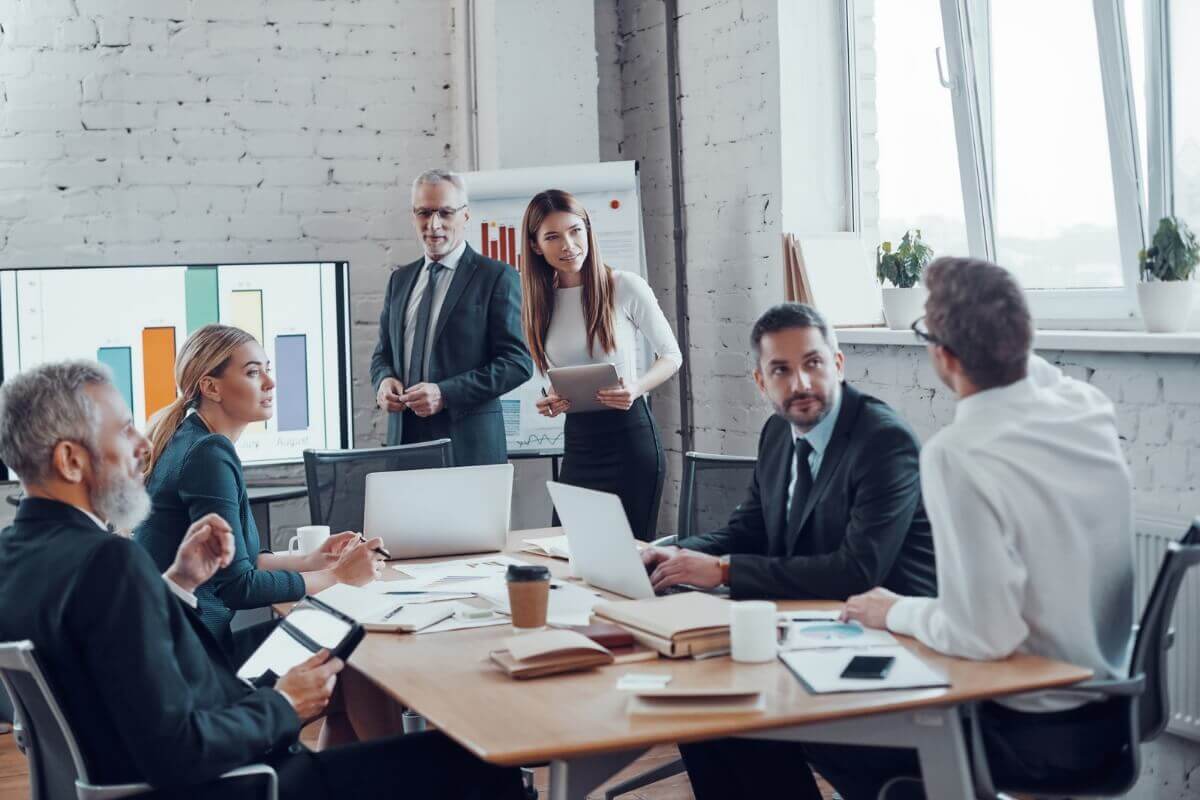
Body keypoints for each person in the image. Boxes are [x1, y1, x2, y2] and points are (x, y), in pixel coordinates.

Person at [0, 360, 525, 800]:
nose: (142, 444)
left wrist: (179, 583)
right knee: (482, 765)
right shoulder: (107, 563)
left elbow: (101, 658)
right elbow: (178, 751)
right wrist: (286, 704)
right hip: (244, 785)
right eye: (123, 429)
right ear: (70, 460)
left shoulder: (15, 558)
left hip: (129, 778)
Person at [828, 257, 1136, 798]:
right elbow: (1032, 373)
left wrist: (892, 609)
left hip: (1030, 730)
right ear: (1023, 338)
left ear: (944, 356)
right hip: (1111, 716)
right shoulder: (1085, 407)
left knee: (822, 734)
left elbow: (982, 636)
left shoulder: (959, 454)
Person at [642, 302, 936, 598]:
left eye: (813, 363)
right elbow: (750, 532)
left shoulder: (884, 442)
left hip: (891, 629)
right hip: (807, 614)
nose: (800, 384)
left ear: (838, 365)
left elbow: (857, 571)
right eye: (781, 370)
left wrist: (725, 570)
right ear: (761, 382)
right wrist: (675, 554)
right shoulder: (777, 431)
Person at [135, 324, 384, 664]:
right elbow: (237, 587)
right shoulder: (208, 452)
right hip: (202, 658)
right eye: (253, 372)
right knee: (349, 638)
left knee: (343, 647)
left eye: (267, 369)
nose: (270, 383)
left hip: (185, 644)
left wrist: (309, 561)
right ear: (210, 387)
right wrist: (336, 577)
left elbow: (236, 563)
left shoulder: (187, 438)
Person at [520, 189, 681, 540]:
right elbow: (555, 373)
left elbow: (671, 355)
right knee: (566, 552)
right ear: (535, 246)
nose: (569, 244)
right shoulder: (538, 301)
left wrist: (636, 387)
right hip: (579, 444)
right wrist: (551, 397)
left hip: (630, 441)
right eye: (553, 236)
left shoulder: (623, 286)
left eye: (576, 230)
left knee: (630, 558)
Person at [370, 168, 533, 466]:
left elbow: (517, 364)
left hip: (468, 448)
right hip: (404, 445)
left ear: (465, 216)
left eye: (445, 213)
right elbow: (382, 355)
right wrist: (383, 381)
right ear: (413, 216)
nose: (433, 225)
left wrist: (445, 394)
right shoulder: (400, 281)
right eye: (424, 213)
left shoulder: (496, 277)